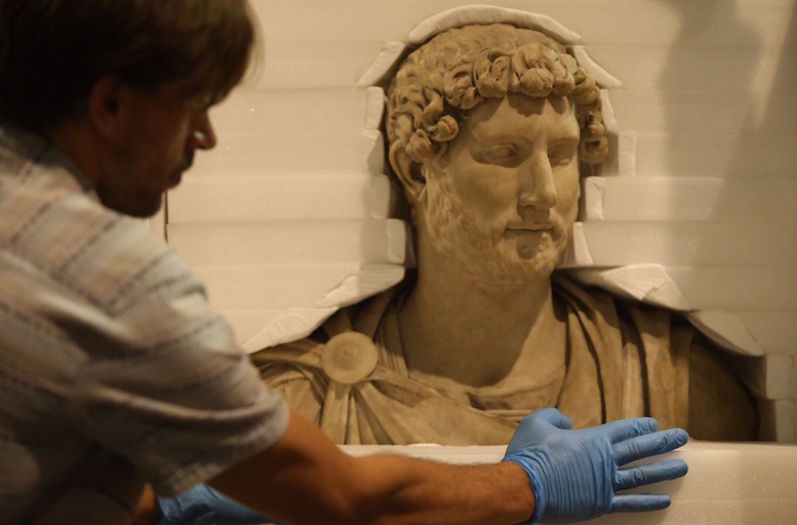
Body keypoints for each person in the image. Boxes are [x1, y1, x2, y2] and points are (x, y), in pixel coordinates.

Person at [0, 1, 690, 525]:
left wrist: (157, 501)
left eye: (565, 156)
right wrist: (528, 485)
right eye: (193, 106)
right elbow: (352, 504)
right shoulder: (108, 280)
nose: (206, 137)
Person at [252, 22, 757, 444]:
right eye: (505, 155)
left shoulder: (674, 387)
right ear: (415, 171)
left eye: (561, 157)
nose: (545, 192)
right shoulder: (307, 401)